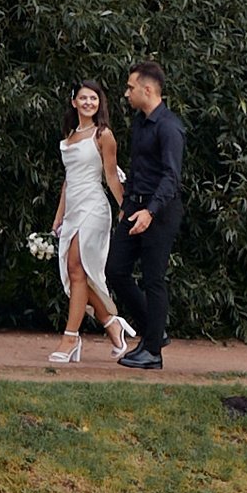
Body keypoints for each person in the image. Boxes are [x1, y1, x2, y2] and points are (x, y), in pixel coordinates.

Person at [45, 77, 133, 368]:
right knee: (76, 273)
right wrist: (59, 216)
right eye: (83, 98)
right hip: (73, 208)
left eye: (93, 99)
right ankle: (111, 323)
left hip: (94, 208)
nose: (88, 103)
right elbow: (69, 181)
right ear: (74, 102)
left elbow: (110, 175)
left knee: (76, 266)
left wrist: (127, 209)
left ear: (99, 103)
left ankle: (70, 337)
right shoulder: (70, 136)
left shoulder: (103, 135)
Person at [108, 62, 185, 369]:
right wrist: (127, 205)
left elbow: (171, 177)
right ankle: (155, 330)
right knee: (115, 270)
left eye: (130, 87)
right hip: (135, 205)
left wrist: (150, 212)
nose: (126, 93)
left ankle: (152, 352)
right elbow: (138, 168)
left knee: (154, 279)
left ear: (147, 89)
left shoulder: (169, 127)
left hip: (160, 212)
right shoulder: (141, 122)